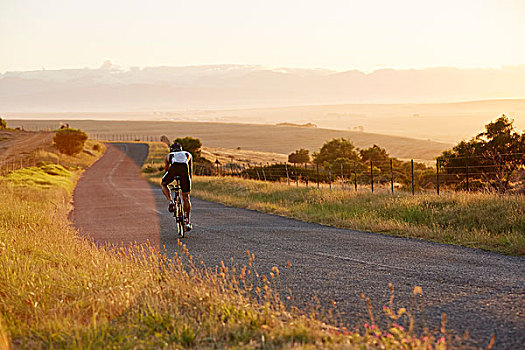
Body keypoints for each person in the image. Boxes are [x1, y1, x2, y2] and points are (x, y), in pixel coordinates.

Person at [161, 142, 193, 231]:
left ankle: (171, 201)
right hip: (184, 171)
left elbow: (167, 170)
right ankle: (187, 221)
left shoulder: (169, 155)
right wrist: (189, 178)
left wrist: (169, 177)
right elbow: (190, 169)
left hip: (174, 169)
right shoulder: (187, 153)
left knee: (163, 184)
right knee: (186, 197)